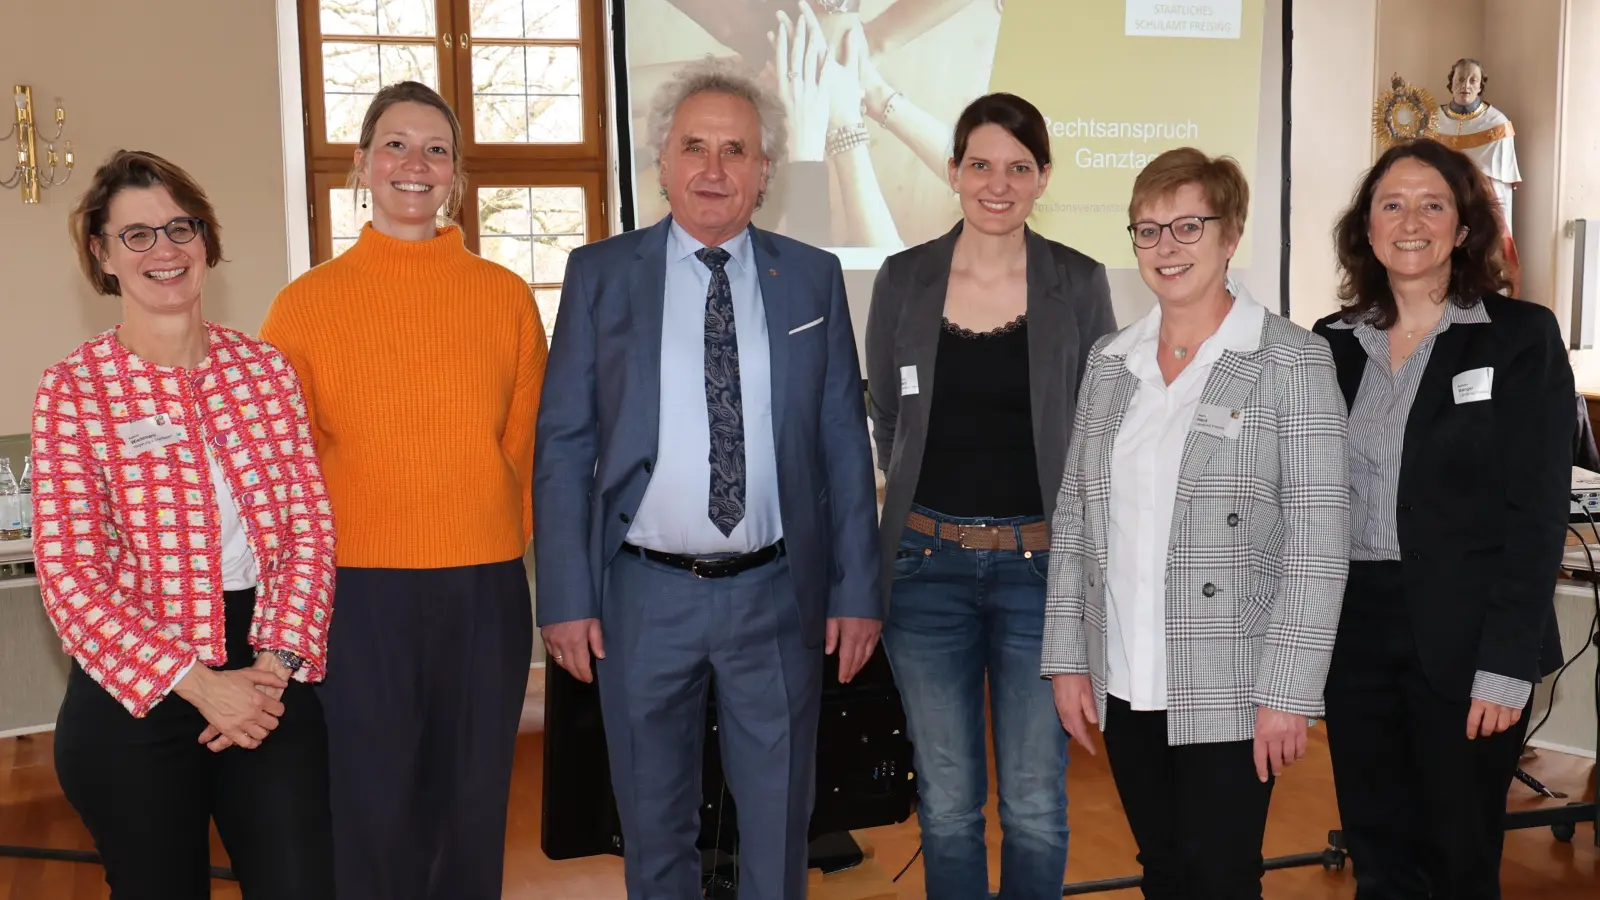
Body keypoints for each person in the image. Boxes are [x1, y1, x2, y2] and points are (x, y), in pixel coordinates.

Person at [534, 56, 882, 900]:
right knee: (653, 826)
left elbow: (842, 439)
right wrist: (567, 598)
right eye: (695, 146)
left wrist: (858, 591)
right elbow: (564, 444)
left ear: (765, 172)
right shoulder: (600, 276)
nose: (714, 169)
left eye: (737, 150)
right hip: (641, 597)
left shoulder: (810, 276)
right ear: (662, 162)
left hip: (776, 594)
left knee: (779, 821)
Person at [259, 81, 547, 900]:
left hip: (484, 589)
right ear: (360, 164)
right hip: (355, 598)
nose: (413, 165)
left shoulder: (505, 299)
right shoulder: (304, 308)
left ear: (455, 174)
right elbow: (285, 474)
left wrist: (494, 546)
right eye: (395, 144)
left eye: (436, 150)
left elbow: (524, 452)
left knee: (473, 810)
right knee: (370, 815)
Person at [1043, 148, 1350, 900]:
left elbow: (1318, 543)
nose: (1165, 248)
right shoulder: (1111, 362)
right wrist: (1068, 659)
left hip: (1234, 680)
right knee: (1165, 870)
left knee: (1219, 876)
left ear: (1231, 233)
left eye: (1187, 226)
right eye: (1147, 231)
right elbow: (1076, 519)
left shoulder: (1292, 361)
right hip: (1126, 672)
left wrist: (1287, 691)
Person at [32, 149, 336, 898]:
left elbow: (308, 531)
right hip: (135, 686)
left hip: (268, 671)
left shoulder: (265, 373)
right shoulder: (74, 390)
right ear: (102, 256)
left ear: (206, 242)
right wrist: (200, 683)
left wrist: (268, 672)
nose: (163, 250)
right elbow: (70, 577)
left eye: (180, 227)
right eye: (136, 235)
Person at [864, 91, 1115, 898]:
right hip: (922, 571)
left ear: (1043, 178)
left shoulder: (1077, 283)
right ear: (953, 172)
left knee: (1037, 803)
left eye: (1018, 168)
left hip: (1040, 574)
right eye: (980, 165)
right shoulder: (904, 280)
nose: (997, 184)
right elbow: (882, 419)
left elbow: (1099, 430)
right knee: (946, 804)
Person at [1313, 138, 1572, 900]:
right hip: (1355, 630)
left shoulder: (1520, 337)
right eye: (1391, 204)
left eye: (1434, 204)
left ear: (1464, 229)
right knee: (1379, 852)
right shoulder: (1329, 343)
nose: (1412, 221)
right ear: (1367, 227)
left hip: (1470, 639)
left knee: (1458, 859)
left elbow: (1536, 515)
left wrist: (1506, 662)